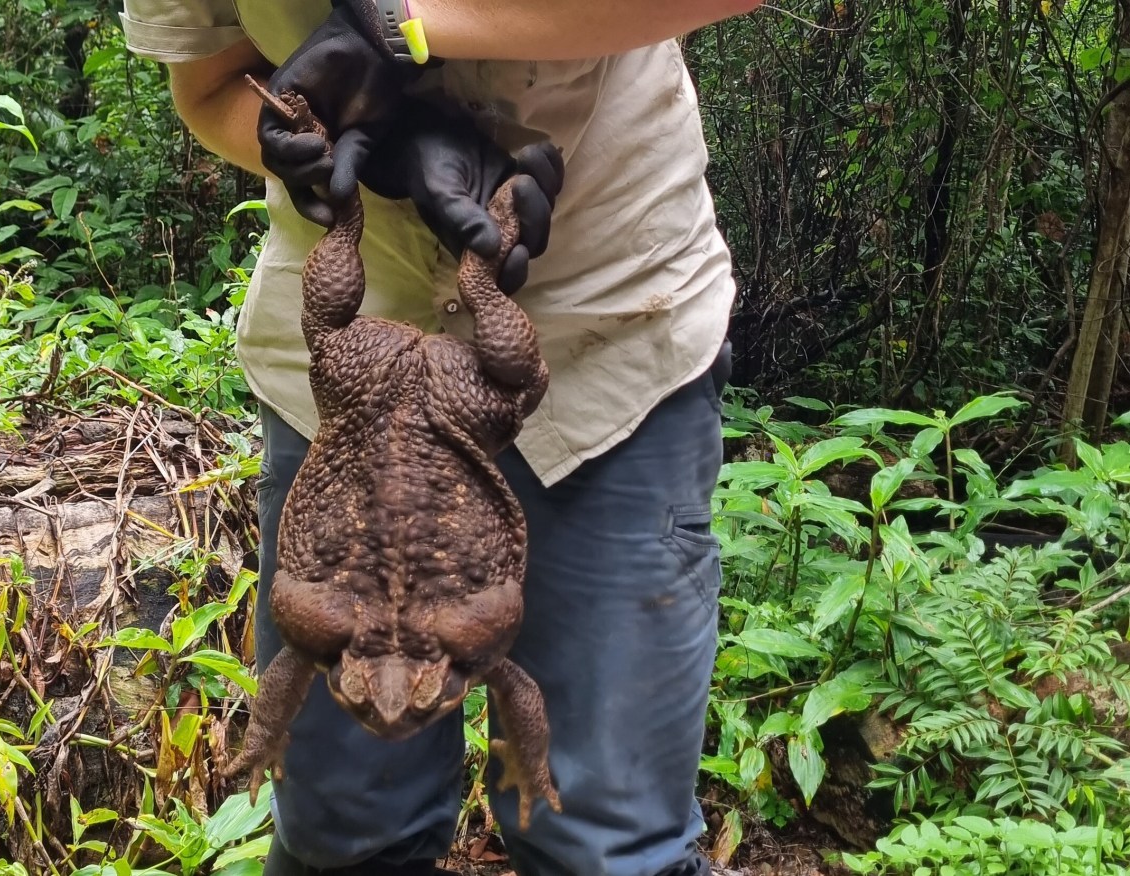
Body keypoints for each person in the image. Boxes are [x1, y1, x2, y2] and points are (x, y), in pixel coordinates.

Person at [119, 1, 758, 874]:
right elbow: (207, 87)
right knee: (344, 836)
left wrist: (406, 25)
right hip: (348, 374)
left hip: (603, 329)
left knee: (607, 842)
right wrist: (329, 151)